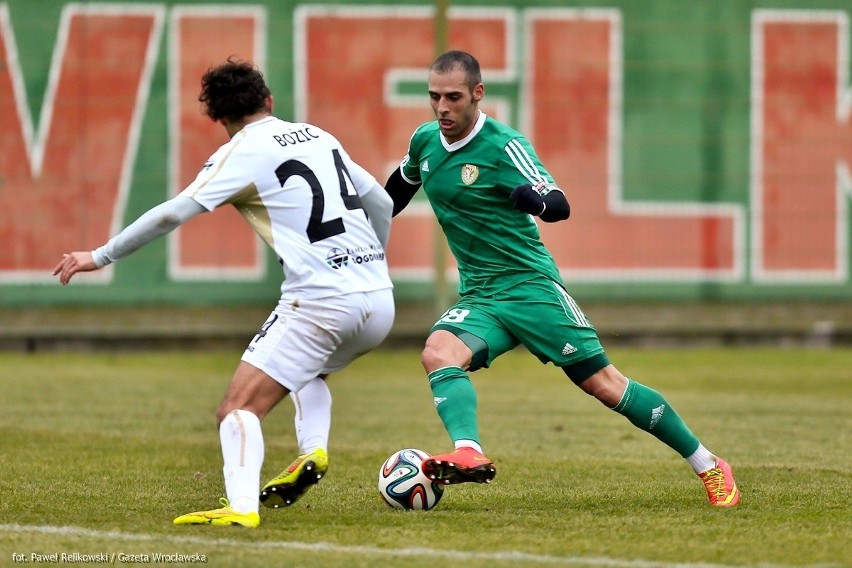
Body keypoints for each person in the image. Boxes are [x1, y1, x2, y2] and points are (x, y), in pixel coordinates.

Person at [383, 50, 740, 507]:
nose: (442, 108)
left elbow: (558, 202)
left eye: (453, 97)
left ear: (477, 94)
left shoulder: (504, 146)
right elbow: (398, 189)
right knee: (438, 353)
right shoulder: (425, 141)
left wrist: (535, 201)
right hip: (481, 294)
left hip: (531, 288)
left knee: (604, 385)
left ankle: (709, 464)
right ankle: (468, 452)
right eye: (434, 97)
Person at [53, 58, 396, 526]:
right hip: (378, 300)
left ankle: (240, 508)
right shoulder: (319, 136)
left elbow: (173, 213)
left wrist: (102, 255)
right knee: (308, 371)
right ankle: (312, 451)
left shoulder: (242, 151)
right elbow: (380, 201)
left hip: (320, 301)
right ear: (269, 100)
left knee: (236, 409)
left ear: (217, 118)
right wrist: (373, 260)